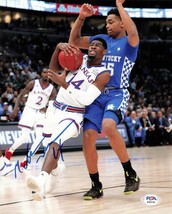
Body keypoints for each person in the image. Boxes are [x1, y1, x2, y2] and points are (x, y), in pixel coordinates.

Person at [69, 0, 140, 199]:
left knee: (109, 126)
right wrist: (81, 17)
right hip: (95, 93)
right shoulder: (101, 40)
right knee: (88, 137)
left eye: (111, 22)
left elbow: (133, 31)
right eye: (106, 22)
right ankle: (95, 185)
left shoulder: (129, 43)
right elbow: (74, 42)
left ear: (122, 24)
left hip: (117, 92)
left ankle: (130, 173)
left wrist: (120, 6)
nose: (107, 25)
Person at [25, 39, 110, 201]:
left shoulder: (103, 73)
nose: (93, 46)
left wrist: (64, 84)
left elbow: (86, 99)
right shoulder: (80, 58)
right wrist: (58, 48)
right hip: (54, 109)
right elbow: (53, 69)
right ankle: (56, 171)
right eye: (92, 44)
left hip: (73, 114)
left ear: (104, 52)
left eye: (98, 45)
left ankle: (41, 180)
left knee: (56, 141)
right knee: (47, 146)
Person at [4, 68, 57, 168]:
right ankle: (10, 151)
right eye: (44, 72)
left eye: (48, 73)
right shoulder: (33, 83)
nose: (46, 74)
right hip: (29, 110)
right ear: (41, 73)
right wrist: (15, 109)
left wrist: (46, 108)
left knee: (40, 138)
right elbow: (20, 96)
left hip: (41, 115)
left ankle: (26, 160)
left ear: (50, 75)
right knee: (24, 137)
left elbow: (52, 105)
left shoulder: (52, 89)